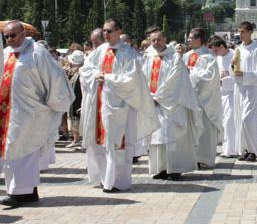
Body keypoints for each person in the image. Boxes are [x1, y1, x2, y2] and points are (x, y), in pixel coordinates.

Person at [1, 20, 74, 207]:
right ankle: (24, 191)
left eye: (13, 35)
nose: (9, 40)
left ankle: (22, 193)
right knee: (12, 151)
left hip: (30, 112)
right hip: (9, 111)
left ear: (23, 34)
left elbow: (55, 78)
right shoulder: (6, 53)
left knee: (24, 150)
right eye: (6, 36)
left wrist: (51, 105)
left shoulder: (37, 52)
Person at [80, 19, 159, 193]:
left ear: (118, 31)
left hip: (121, 108)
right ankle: (103, 178)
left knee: (118, 146)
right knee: (100, 144)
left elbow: (131, 80)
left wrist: (107, 78)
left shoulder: (128, 54)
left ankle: (118, 182)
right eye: (104, 31)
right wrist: (95, 75)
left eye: (109, 31)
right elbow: (85, 70)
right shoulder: (99, 51)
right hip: (99, 105)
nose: (105, 34)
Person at [143, 30, 201, 180]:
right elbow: (143, 78)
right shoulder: (149, 57)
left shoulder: (174, 57)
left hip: (171, 104)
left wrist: (158, 97)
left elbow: (174, 80)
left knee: (171, 136)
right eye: (153, 40)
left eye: (159, 40)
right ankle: (161, 168)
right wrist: (148, 96)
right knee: (157, 137)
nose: (156, 43)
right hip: (153, 103)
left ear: (165, 39)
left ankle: (175, 169)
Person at [183, 28, 221, 169]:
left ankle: (205, 159)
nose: (188, 40)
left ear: (199, 40)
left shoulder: (209, 57)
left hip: (205, 102)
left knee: (205, 130)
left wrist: (190, 72)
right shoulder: (186, 56)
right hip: (189, 100)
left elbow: (208, 78)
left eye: (191, 38)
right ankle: (192, 157)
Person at [233, 21, 257, 162]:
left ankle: (254, 150)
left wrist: (245, 74)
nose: (240, 35)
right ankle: (245, 149)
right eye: (239, 31)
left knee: (248, 119)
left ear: (250, 32)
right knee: (240, 120)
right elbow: (233, 68)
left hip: (251, 89)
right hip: (239, 88)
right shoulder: (238, 49)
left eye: (243, 32)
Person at [211, 37, 238, 158]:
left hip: (232, 92)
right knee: (222, 121)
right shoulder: (218, 58)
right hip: (220, 92)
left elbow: (238, 75)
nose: (215, 53)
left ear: (222, 47)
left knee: (230, 121)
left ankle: (232, 149)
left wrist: (227, 76)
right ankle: (226, 147)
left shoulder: (234, 55)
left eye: (216, 50)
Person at [64, 50, 86, 149]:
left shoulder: (83, 72)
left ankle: (81, 140)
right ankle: (76, 139)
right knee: (73, 120)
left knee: (80, 121)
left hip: (80, 100)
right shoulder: (76, 72)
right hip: (74, 100)